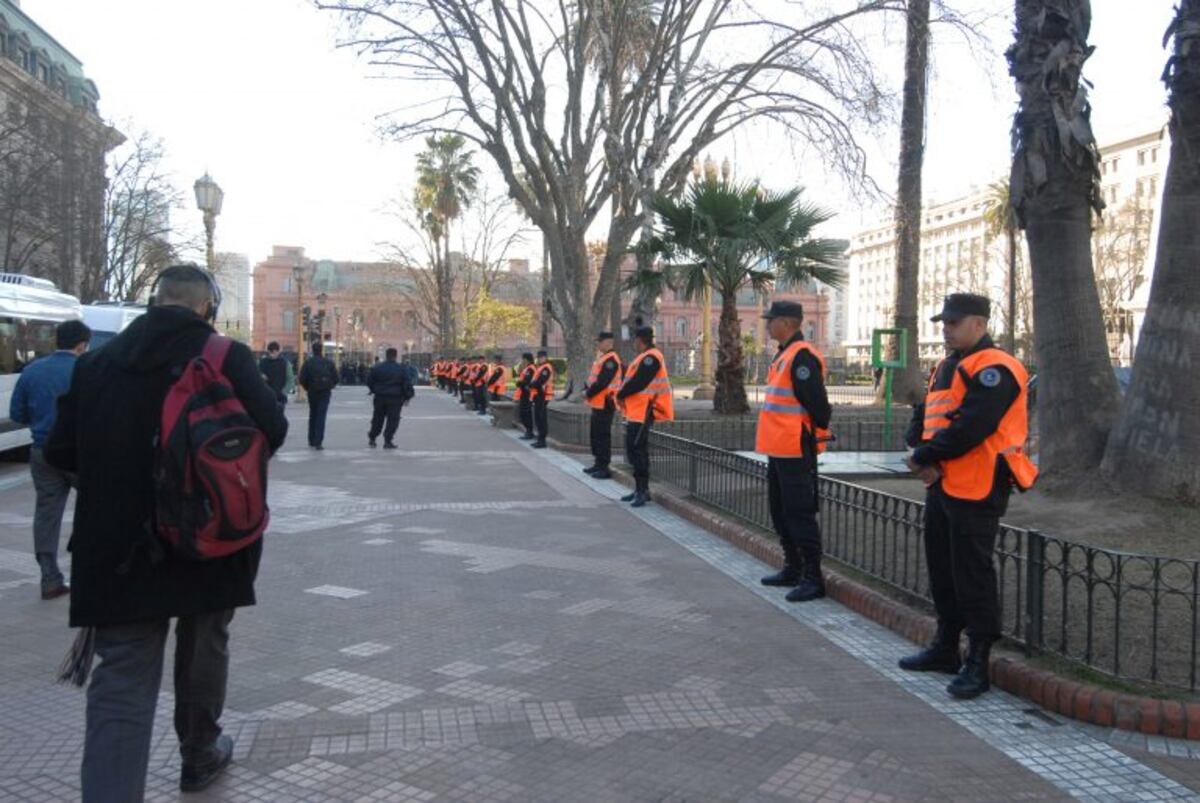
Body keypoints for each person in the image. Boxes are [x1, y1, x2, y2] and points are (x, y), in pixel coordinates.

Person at [43, 264, 288, 799]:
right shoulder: (225, 357)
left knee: (122, 682)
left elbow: (60, 451)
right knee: (205, 646)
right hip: (211, 533)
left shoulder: (100, 363)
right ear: (208, 306)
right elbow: (273, 429)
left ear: (157, 301)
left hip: (120, 547)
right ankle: (199, 754)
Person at [898, 293, 1037, 700]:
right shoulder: (946, 365)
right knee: (943, 569)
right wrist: (916, 442)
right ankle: (946, 646)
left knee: (973, 574)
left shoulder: (997, 368)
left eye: (954, 322)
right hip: (943, 482)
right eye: (944, 321)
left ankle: (978, 660)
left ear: (979, 324)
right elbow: (929, 414)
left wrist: (923, 455)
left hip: (979, 485)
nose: (946, 328)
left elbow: (973, 427)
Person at [755, 301, 832, 603]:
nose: (767, 325)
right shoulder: (784, 355)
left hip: (795, 446)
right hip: (779, 447)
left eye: (771, 320)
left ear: (787, 323)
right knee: (780, 509)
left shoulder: (802, 356)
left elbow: (818, 404)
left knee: (799, 513)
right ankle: (792, 567)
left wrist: (809, 433)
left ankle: (813, 578)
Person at [9, 319, 91, 600]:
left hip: (42, 452)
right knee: (95, 506)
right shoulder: (87, 369)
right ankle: (87, 568)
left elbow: (17, 413)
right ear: (82, 344)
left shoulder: (32, 371)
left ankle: (49, 578)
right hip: (81, 453)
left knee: (47, 513)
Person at [615, 326, 673, 506]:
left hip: (645, 411)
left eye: (635, 340)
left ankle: (642, 491)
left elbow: (639, 382)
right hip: (636, 411)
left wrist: (621, 393)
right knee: (634, 451)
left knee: (639, 452)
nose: (633, 343)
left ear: (640, 340)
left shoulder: (651, 358)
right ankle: (639, 489)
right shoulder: (644, 357)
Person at [582, 332, 623, 480]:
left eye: (600, 342)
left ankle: (604, 467)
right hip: (598, 403)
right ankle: (598, 463)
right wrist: (587, 389)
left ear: (608, 342)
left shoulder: (611, 360)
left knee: (602, 436)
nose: (598, 344)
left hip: (606, 403)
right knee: (596, 435)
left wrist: (588, 393)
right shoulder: (603, 358)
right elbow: (595, 380)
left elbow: (603, 382)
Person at [366, 347, 413, 449]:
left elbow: (369, 380)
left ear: (386, 355)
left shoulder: (377, 368)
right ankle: (388, 441)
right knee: (393, 420)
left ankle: (372, 437)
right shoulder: (401, 368)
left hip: (380, 397)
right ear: (395, 356)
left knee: (377, 418)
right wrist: (407, 396)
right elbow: (407, 383)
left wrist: (374, 390)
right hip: (395, 398)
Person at [298, 341, 338, 450]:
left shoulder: (308, 363)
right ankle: (318, 442)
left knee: (313, 415)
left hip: (312, 392)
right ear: (322, 350)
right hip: (325, 392)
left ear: (312, 350)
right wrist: (329, 386)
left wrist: (308, 388)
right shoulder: (329, 363)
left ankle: (311, 439)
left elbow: (302, 378)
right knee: (321, 416)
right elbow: (336, 378)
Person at [528, 350, 555, 448]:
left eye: (541, 357)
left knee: (541, 419)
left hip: (543, 395)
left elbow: (540, 381)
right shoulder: (541, 367)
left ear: (545, 357)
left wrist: (531, 384)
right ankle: (540, 439)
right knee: (538, 418)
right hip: (539, 395)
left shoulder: (546, 368)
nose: (539, 359)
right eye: (538, 357)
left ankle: (542, 441)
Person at [258, 341, 290, 406]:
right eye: (271, 353)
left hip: (280, 397)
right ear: (268, 352)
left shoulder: (285, 363)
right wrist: (261, 376)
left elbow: (290, 379)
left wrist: (284, 392)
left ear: (278, 351)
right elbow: (256, 375)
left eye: (275, 353)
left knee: (279, 415)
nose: (273, 355)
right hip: (266, 396)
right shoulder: (262, 362)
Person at [515, 353, 536, 439]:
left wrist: (519, 383)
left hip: (527, 394)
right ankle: (528, 430)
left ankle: (529, 431)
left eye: (523, 359)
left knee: (526, 413)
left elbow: (526, 381)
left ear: (527, 359)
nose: (522, 361)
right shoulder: (526, 368)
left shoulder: (531, 369)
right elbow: (520, 375)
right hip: (523, 393)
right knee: (523, 413)